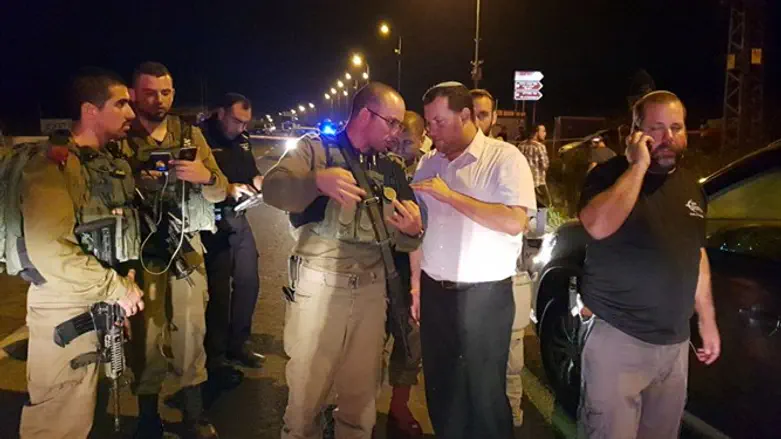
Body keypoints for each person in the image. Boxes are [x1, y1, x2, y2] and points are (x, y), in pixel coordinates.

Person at [263, 82, 423, 439]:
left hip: (371, 291)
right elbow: (272, 189)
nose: (398, 133)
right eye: (392, 123)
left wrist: (413, 230)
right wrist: (316, 182)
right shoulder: (316, 151)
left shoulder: (392, 167)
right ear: (366, 115)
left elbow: (406, 233)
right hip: (320, 287)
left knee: (360, 400)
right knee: (306, 398)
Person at [577, 91, 720, 439]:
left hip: (673, 348)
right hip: (618, 339)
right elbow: (598, 225)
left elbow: (695, 253)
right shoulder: (609, 176)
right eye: (655, 128)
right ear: (634, 133)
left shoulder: (691, 187)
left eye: (676, 127)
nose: (667, 138)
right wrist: (638, 166)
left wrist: (707, 320)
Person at [17, 68, 145, 438]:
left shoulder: (103, 165)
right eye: (120, 103)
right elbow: (50, 251)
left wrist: (125, 278)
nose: (130, 114)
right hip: (65, 309)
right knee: (58, 422)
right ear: (90, 110)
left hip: (101, 304)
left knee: (90, 415)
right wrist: (116, 287)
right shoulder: (52, 164)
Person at [410, 82, 536, 439]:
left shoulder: (503, 159)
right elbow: (422, 228)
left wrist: (452, 197)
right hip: (436, 292)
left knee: (484, 393)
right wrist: (416, 283)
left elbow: (515, 221)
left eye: (439, 122)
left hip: (484, 296)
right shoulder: (428, 163)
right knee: (442, 386)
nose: (431, 131)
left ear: (465, 116)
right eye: (428, 123)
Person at [121, 61, 231, 439]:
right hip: (142, 254)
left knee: (190, 334)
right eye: (149, 92)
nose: (159, 100)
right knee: (146, 339)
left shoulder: (190, 135)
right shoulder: (122, 136)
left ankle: (193, 414)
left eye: (165, 92)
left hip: (185, 250)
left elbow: (222, 189)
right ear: (134, 95)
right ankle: (148, 417)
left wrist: (205, 176)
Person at [470, 87, 531, 427]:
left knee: (511, 362)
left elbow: (521, 221)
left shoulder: (511, 159)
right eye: (472, 113)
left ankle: (513, 420)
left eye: (484, 114)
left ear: (494, 118)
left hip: (507, 277)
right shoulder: (445, 160)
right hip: (467, 285)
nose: (478, 122)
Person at [198, 93, 264, 396]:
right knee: (218, 293)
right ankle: (215, 358)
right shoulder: (199, 138)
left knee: (249, 281)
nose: (240, 127)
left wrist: (259, 182)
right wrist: (229, 188)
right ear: (220, 113)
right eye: (236, 120)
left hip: (238, 216)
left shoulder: (243, 139)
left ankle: (239, 344)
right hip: (211, 223)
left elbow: (250, 170)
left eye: (245, 123)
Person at [384, 110, 426, 436]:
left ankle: (399, 406)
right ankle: (357, 405)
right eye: (396, 141)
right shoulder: (381, 166)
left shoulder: (431, 170)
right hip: (379, 264)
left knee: (410, 344)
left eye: (407, 142)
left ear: (422, 138)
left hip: (413, 266)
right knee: (366, 342)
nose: (400, 148)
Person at [517, 124, 550, 208]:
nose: (545, 133)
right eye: (543, 131)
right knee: (543, 207)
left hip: (523, 184)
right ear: (536, 133)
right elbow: (545, 165)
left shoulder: (521, 145)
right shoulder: (540, 147)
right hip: (538, 184)